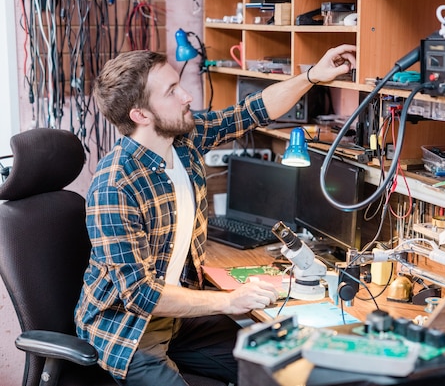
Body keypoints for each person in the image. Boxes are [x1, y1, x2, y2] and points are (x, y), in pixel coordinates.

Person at [74, 45, 357, 386]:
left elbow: (252, 110)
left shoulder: (184, 140)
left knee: (277, 369)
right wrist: (228, 300)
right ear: (140, 115)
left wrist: (313, 75)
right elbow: (141, 296)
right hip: (127, 330)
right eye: (172, 91)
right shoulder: (115, 185)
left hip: (180, 320)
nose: (187, 96)